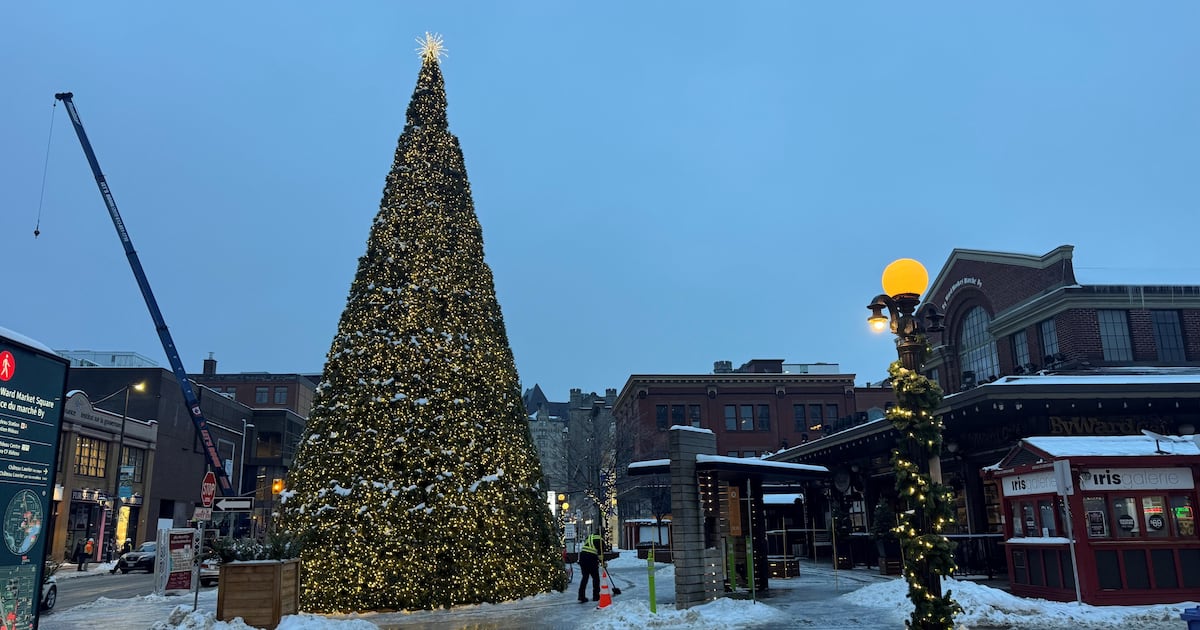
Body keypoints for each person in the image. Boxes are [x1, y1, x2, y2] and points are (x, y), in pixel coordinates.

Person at [576, 533, 603, 603]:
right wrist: (603, 562)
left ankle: (581, 596)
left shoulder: (590, 537)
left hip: (583, 557)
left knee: (585, 577)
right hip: (591, 558)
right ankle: (596, 596)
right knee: (596, 578)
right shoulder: (600, 540)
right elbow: (600, 554)